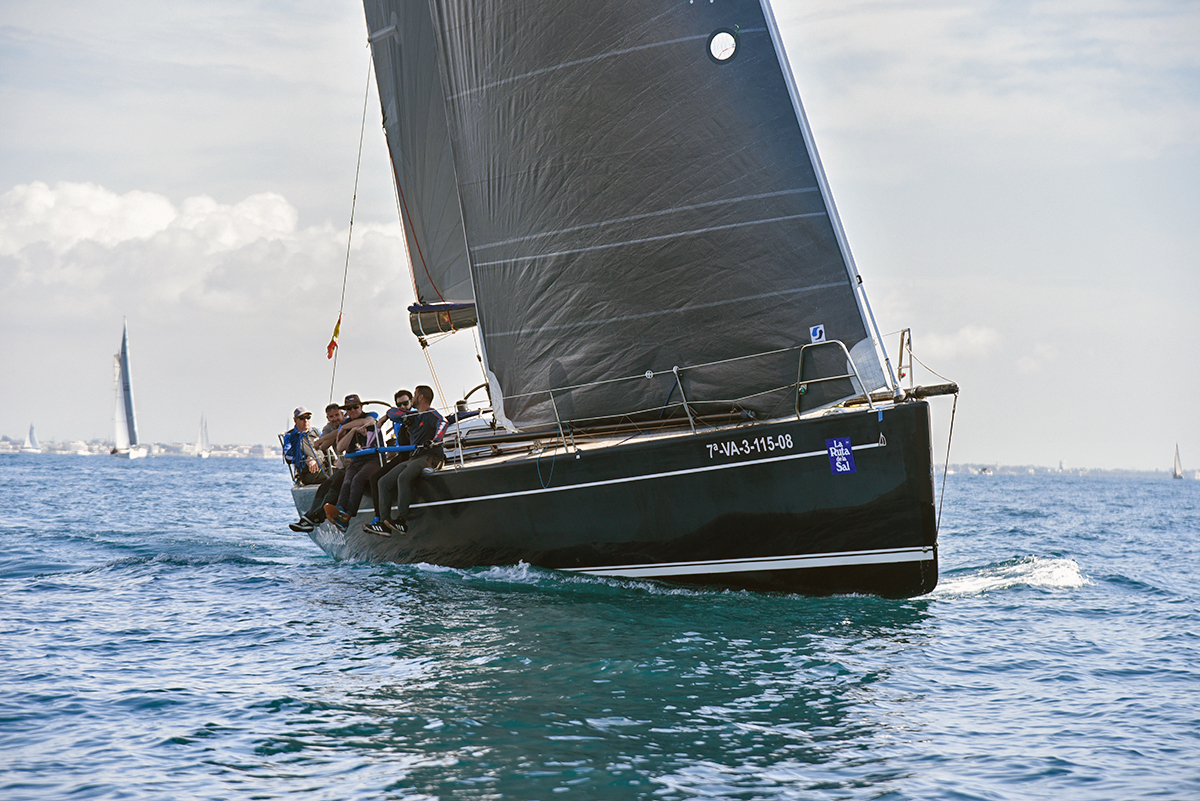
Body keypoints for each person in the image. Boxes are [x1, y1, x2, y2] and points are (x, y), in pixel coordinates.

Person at [366, 385, 445, 536]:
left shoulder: (431, 414)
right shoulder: (413, 417)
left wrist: (435, 441)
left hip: (430, 456)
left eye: (414, 395)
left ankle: (401, 520)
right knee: (383, 482)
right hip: (414, 457)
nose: (412, 398)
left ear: (420, 397)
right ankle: (384, 522)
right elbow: (392, 412)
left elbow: (443, 423)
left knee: (403, 477)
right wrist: (386, 417)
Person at [323, 394, 382, 531]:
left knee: (358, 479)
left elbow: (368, 421)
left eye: (355, 407)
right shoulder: (344, 425)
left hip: (373, 458)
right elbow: (340, 447)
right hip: (356, 460)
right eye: (349, 409)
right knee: (347, 481)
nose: (353, 410)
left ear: (361, 406)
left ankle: (348, 514)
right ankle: (340, 509)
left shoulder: (371, 415)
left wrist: (345, 427)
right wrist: (351, 431)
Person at [364, 389, 413, 529]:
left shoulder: (414, 414)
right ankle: (379, 517)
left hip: (412, 454)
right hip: (401, 454)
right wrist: (385, 417)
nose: (403, 407)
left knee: (386, 480)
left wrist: (389, 414)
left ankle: (388, 518)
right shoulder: (395, 416)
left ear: (412, 402)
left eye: (406, 403)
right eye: (399, 404)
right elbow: (379, 425)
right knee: (375, 479)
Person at [282, 407, 324, 485]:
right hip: (307, 473)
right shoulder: (290, 436)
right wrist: (305, 459)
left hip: (325, 468)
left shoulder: (317, 432)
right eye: (302, 418)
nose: (306, 420)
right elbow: (288, 457)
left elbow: (326, 449)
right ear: (295, 420)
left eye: (308, 417)